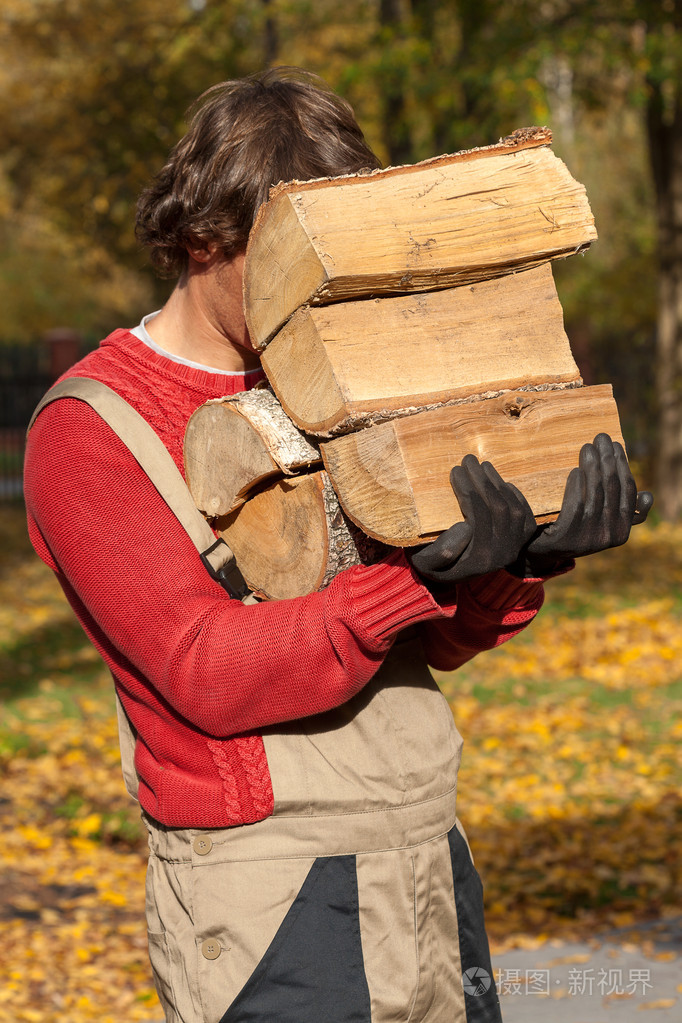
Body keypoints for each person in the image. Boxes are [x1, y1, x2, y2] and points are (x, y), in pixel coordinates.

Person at [24, 67, 651, 1023]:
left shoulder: (343, 374)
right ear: (203, 239)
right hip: (271, 891)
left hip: (430, 850)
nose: (319, 296)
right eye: (287, 259)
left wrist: (514, 562)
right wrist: (407, 579)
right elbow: (205, 670)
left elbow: (432, 645)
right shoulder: (90, 428)